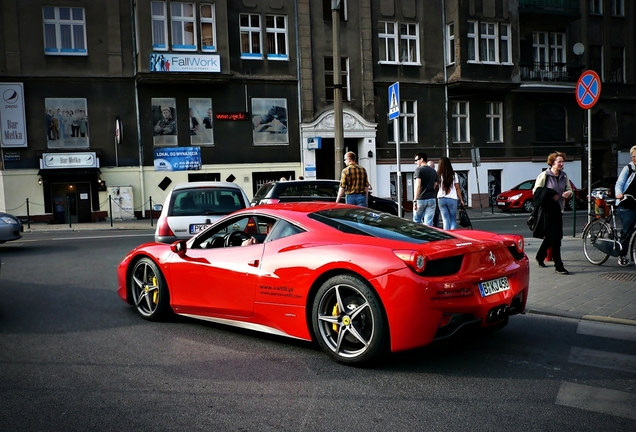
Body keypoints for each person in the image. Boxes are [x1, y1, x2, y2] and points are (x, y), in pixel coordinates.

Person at [532, 151, 573, 275]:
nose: (561, 164)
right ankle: (559, 266)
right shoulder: (545, 175)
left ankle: (540, 256)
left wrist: (568, 193)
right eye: (559, 161)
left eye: (562, 162)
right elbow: (536, 192)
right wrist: (550, 195)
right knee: (555, 238)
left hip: (558, 209)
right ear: (552, 163)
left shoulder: (564, 176)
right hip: (546, 210)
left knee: (552, 237)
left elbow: (569, 189)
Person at [614, 145, 636, 266]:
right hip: (627, 203)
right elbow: (620, 183)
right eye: (633, 156)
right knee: (627, 231)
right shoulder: (628, 169)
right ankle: (622, 255)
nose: (635, 158)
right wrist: (619, 194)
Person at [436, 156, 464, 230]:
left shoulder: (438, 175)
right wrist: (461, 199)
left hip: (441, 199)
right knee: (452, 220)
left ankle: (447, 238)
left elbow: (434, 186)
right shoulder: (454, 175)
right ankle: (452, 238)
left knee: (445, 220)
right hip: (452, 199)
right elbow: (457, 188)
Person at [412, 152, 437, 226]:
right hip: (431, 199)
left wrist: (415, 200)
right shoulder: (433, 171)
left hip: (421, 199)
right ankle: (427, 236)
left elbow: (418, 185)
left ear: (422, 159)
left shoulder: (419, 170)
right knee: (428, 222)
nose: (416, 162)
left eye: (416, 160)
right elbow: (435, 184)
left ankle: (417, 237)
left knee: (416, 220)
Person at [428, 160, 441, 227]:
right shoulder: (437, 175)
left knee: (432, 216)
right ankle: (435, 228)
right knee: (435, 216)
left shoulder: (435, 175)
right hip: (434, 198)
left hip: (433, 197)